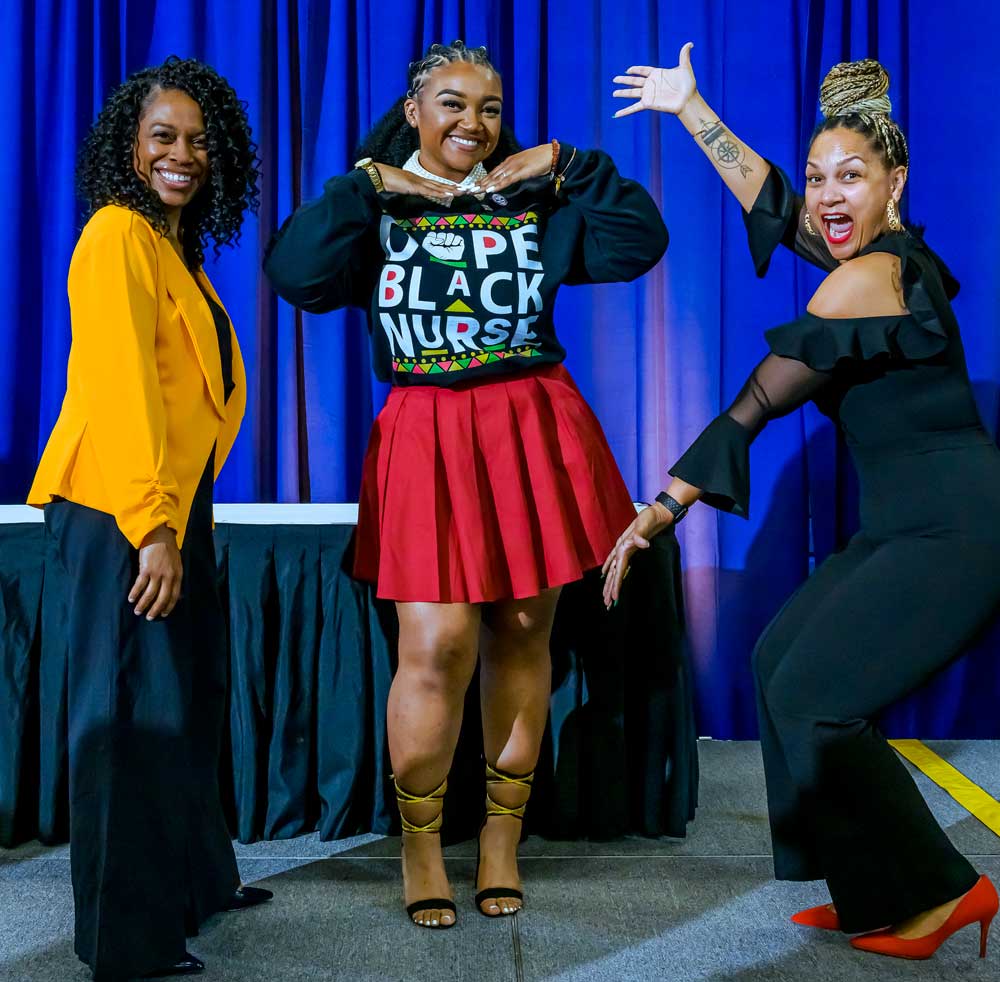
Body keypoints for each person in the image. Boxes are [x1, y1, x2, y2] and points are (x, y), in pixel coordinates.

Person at [604, 48, 999, 960]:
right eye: (821, 176)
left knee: (818, 698)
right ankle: (871, 893)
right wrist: (692, 109)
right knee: (779, 661)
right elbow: (778, 208)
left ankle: (948, 891)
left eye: (851, 176)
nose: (828, 195)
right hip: (904, 525)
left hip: (956, 532)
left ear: (895, 182)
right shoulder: (885, 260)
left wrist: (664, 506)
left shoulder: (864, 279)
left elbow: (755, 403)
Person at [265, 40, 667, 928]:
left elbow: (641, 241)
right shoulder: (378, 206)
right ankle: (419, 845)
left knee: (522, 632)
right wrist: (367, 185)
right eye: (451, 104)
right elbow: (293, 272)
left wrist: (566, 163)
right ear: (414, 112)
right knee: (438, 644)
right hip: (428, 433)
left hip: (530, 427)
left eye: (488, 108)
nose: (472, 123)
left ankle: (499, 842)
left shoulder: (531, 201)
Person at [28, 57, 270, 980]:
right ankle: (126, 943)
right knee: (132, 721)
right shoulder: (117, 234)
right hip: (122, 509)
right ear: (127, 147)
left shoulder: (174, 248)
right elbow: (122, 388)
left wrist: (180, 514)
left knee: (188, 701)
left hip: (176, 500)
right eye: (163, 136)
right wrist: (154, 527)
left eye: (200, 141)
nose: (183, 154)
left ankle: (196, 880)